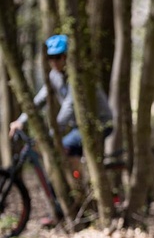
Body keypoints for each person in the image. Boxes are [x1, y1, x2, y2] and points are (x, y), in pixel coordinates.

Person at [8, 33, 114, 162]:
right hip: (79, 127)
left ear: (67, 57)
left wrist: (52, 135)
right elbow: (40, 100)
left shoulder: (78, 77)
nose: (54, 62)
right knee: (67, 153)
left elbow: (68, 107)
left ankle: (81, 180)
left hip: (101, 124)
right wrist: (21, 121)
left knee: (62, 145)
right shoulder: (54, 76)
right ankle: (78, 179)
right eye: (51, 57)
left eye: (58, 57)